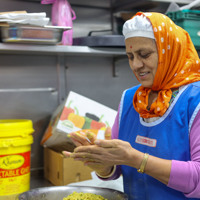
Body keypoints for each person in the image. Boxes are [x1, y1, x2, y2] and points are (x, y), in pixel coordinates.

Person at [63, 11, 200, 200]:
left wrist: (136, 158)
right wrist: (102, 164)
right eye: (130, 56)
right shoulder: (130, 99)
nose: (136, 65)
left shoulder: (195, 100)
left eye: (144, 54)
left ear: (169, 51)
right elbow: (117, 169)